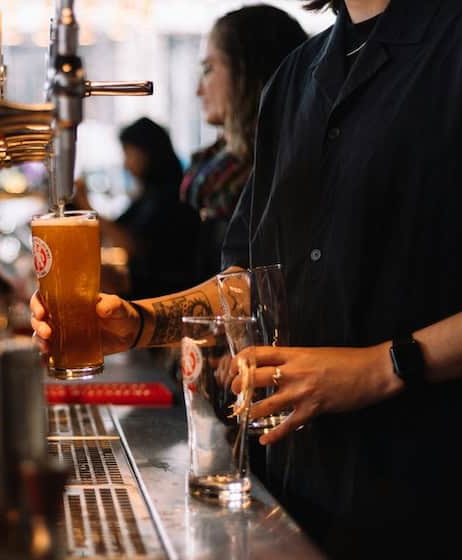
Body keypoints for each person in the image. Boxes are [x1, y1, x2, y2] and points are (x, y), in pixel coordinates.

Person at [33, 0, 462, 556]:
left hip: (430, 499)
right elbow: (252, 281)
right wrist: (136, 323)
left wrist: (380, 367)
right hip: (297, 487)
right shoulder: (297, 77)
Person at [181, 5, 307, 279]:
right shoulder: (215, 171)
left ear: (245, 72)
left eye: (208, 69)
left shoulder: (277, 170)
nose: (198, 89)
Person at [73, 117, 200, 299]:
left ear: (146, 152)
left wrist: (85, 206)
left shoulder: (171, 194)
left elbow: (132, 244)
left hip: (166, 299)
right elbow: (118, 229)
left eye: (128, 153)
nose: (125, 163)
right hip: (151, 294)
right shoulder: (149, 192)